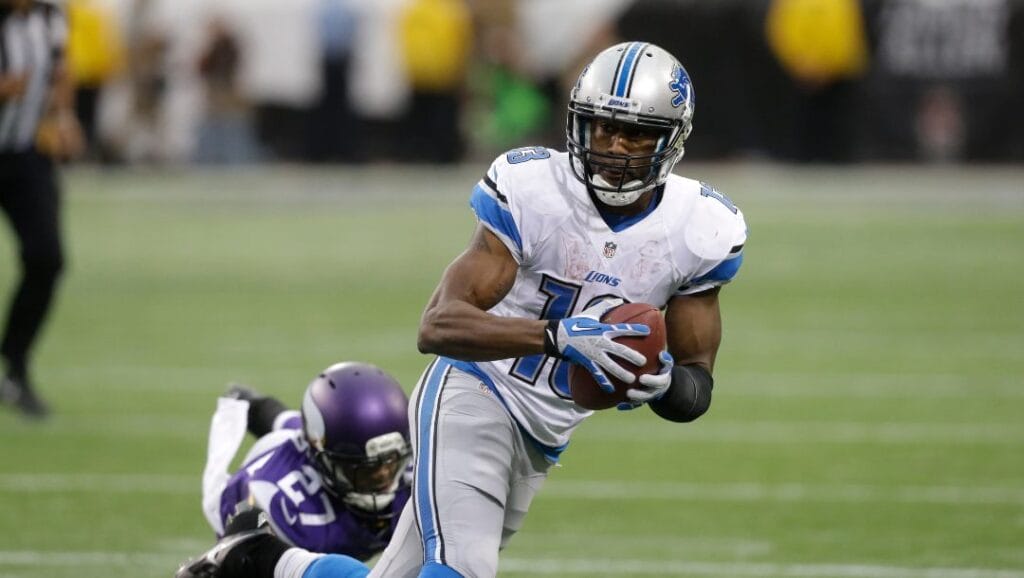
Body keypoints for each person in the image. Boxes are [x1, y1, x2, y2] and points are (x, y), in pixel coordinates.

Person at [176, 40, 747, 578]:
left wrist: (663, 384)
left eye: (634, 134)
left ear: (671, 141)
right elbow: (438, 324)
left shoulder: (700, 229)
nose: (614, 147)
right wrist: (554, 337)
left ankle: (260, 557)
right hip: (475, 395)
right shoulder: (534, 190)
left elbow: (698, 386)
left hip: (543, 435)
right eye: (603, 127)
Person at [187, 362, 412, 576]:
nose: (383, 475)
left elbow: (280, 417)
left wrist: (251, 403)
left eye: (392, 461)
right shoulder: (278, 499)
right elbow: (242, 554)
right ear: (321, 459)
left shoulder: (412, 471)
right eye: (364, 469)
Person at [0, 0, 83, 419]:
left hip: (24, 155)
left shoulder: (50, 17)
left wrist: (64, 117)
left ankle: (13, 364)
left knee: (47, 257)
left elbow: (60, 70)